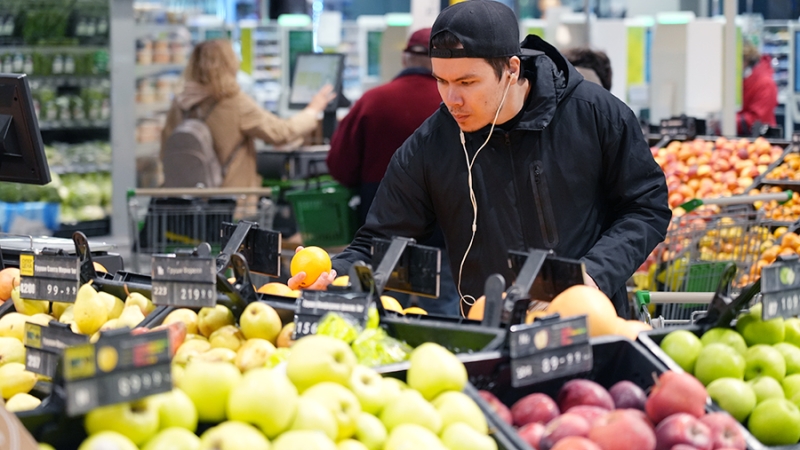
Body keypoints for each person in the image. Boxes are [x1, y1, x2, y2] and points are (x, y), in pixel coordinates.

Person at [290, 0, 671, 318]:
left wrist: (594, 273)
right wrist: (334, 273)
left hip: (594, 323)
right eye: (442, 81)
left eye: (467, 83)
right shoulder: (431, 146)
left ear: (511, 69)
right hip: (491, 335)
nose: (451, 99)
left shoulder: (595, 114)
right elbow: (381, 240)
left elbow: (645, 206)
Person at [325, 28, 459, 316]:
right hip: (445, 235)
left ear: (404, 58)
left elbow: (339, 165)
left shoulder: (373, 101)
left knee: (380, 311)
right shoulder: (457, 104)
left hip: (382, 232)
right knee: (444, 314)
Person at [160, 39, 335, 190]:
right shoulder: (233, 101)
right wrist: (313, 109)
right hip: (230, 199)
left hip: (186, 200)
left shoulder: (180, 103)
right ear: (229, 64)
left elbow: (165, 149)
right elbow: (281, 132)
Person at [737, 41, 778, 136]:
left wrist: (728, 121)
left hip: (760, 141)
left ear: (745, 61)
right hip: (743, 141)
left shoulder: (764, 83)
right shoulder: (745, 79)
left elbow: (757, 120)